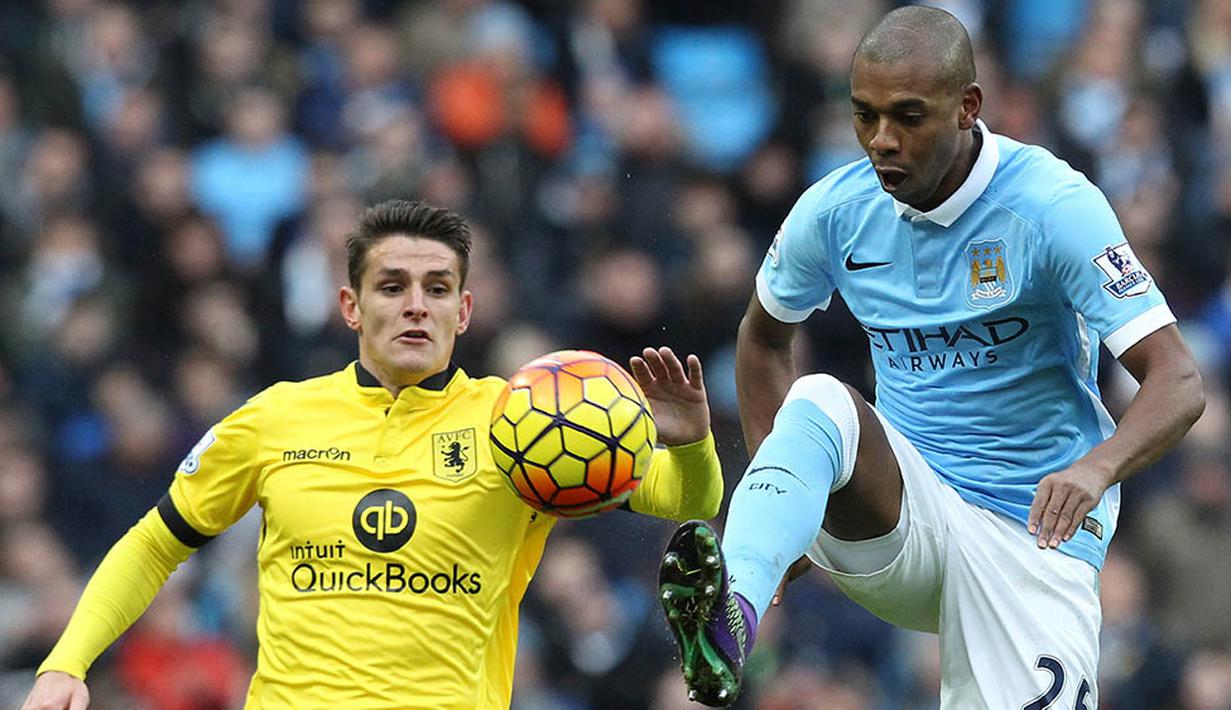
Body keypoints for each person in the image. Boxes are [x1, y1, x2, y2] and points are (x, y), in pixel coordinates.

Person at [657, 6, 1205, 708]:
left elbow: (1178, 380)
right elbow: (764, 335)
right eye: (863, 115)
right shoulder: (834, 210)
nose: (880, 140)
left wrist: (1095, 469)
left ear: (966, 108)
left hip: (1031, 531)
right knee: (821, 399)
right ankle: (733, 608)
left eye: (907, 117)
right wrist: (781, 497)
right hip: (907, 513)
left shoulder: (1050, 205)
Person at [23, 199, 724, 709]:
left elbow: (687, 503)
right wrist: (68, 663)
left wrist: (690, 441)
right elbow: (154, 545)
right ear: (351, 306)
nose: (415, 305)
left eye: (437, 289)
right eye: (391, 287)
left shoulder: (524, 422)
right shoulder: (275, 418)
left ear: (466, 311)